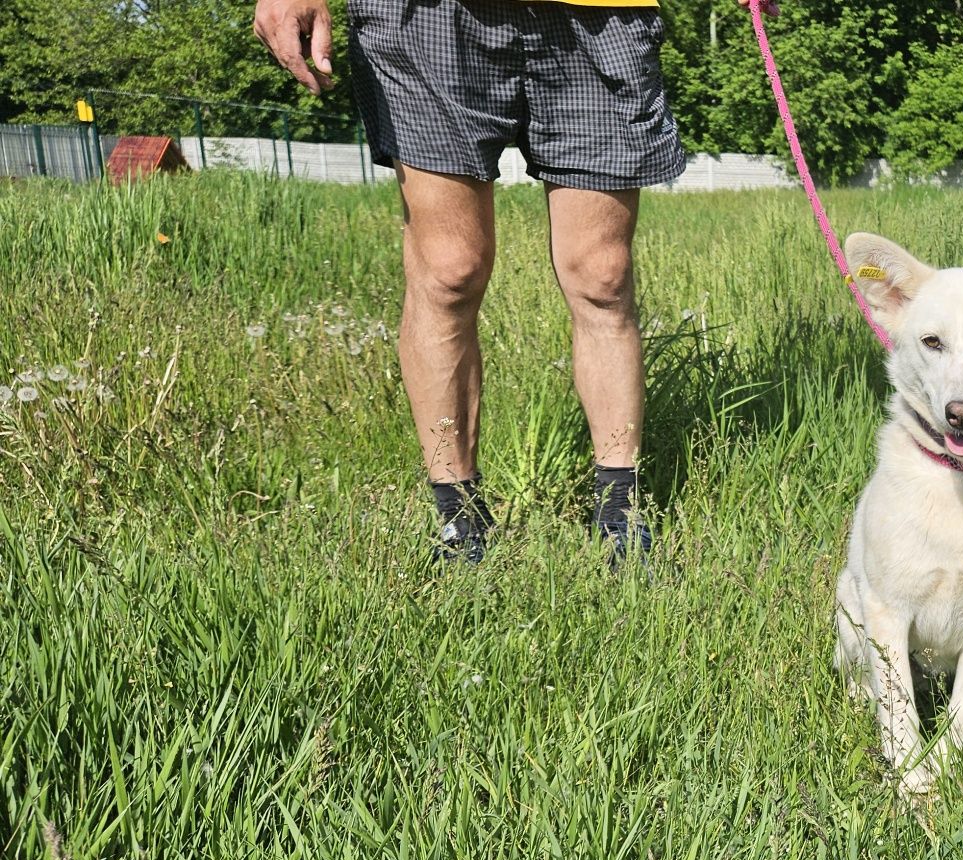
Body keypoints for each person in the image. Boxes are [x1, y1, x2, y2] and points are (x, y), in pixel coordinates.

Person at [254, 0, 771, 564]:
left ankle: (619, 510)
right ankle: (459, 518)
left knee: (603, 274)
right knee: (450, 269)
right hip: (428, 16)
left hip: (599, 15)